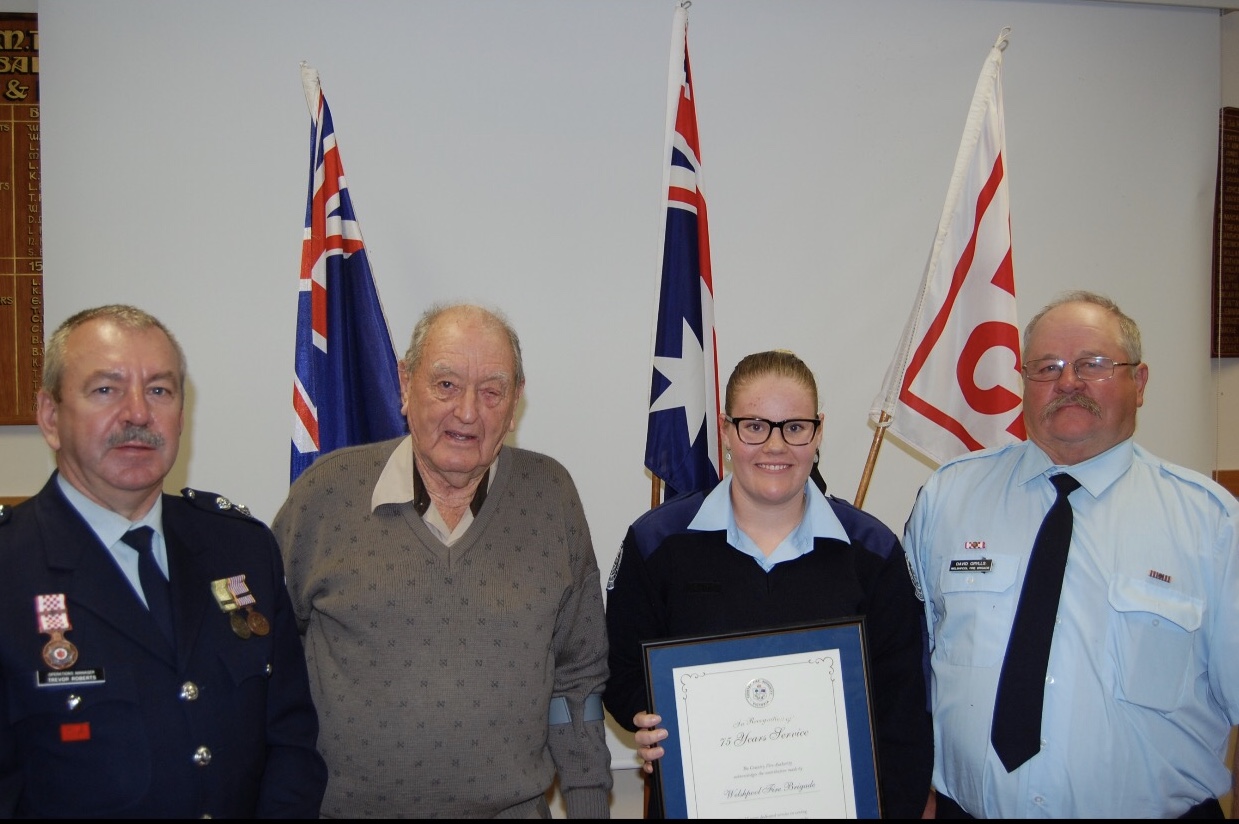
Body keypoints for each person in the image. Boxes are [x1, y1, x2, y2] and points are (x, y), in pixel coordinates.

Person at [904, 290, 1239, 818]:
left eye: (1094, 364)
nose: (1068, 382)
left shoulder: (1213, 525)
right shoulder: (948, 498)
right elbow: (909, 665)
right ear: (1023, 383)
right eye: (1047, 367)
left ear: (1141, 382)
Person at [272, 302, 612, 818]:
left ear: (515, 403)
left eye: (492, 391)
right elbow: (269, 659)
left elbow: (579, 674)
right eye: (447, 385)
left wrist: (589, 807)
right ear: (406, 384)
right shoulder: (326, 495)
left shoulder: (551, 496)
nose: (468, 412)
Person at [0, 304, 327, 818]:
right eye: (106, 389)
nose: (137, 413)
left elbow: (290, 739)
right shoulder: (10, 567)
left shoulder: (240, 548)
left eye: (159, 390)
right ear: (50, 417)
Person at [603, 350, 933, 819]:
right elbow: (620, 668)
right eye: (755, 426)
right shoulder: (657, 542)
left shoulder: (872, 551)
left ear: (818, 431)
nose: (775, 446)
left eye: (794, 428)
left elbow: (905, 717)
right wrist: (647, 717)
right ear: (725, 429)